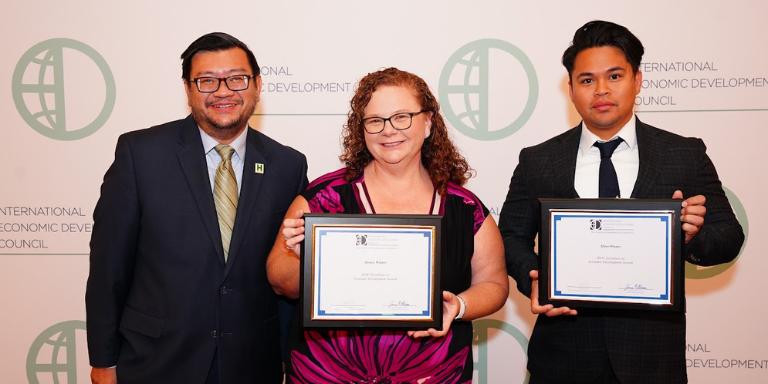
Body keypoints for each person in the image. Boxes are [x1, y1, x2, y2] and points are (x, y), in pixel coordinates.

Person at [499, 20, 744, 384]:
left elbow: (729, 236)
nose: (601, 90)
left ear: (637, 81)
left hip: (653, 360)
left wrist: (694, 235)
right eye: (587, 80)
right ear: (570, 89)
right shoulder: (538, 159)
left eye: (614, 76)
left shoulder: (684, 153)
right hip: (562, 359)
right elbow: (509, 238)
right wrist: (534, 276)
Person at [85, 32, 308, 384]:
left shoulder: (288, 165)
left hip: (252, 364)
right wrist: (103, 360)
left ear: (257, 85)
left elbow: (289, 274)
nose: (223, 91)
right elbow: (109, 267)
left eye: (237, 78)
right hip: (156, 361)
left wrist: (287, 359)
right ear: (188, 89)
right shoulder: (140, 155)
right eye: (207, 81)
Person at [266, 67, 509, 383]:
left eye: (401, 117)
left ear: (428, 123)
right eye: (375, 121)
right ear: (362, 130)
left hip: (435, 374)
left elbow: (494, 285)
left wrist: (459, 306)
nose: (388, 130)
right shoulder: (323, 201)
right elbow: (282, 284)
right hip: (328, 374)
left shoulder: (464, 209)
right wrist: (304, 257)